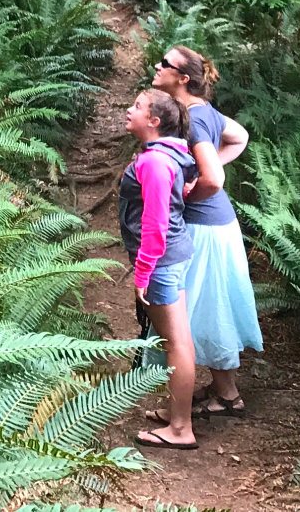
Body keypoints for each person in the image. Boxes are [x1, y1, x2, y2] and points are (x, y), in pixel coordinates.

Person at [152, 44, 262, 416]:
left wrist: (190, 189)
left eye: (164, 64)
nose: (156, 66)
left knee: (199, 312)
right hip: (219, 226)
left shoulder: (194, 119)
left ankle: (211, 400)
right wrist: (205, 169)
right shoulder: (202, 112)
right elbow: (240, 136)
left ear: (182, 79)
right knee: (213, 307)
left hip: (204, 227)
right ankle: (225, 392)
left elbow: (214, 179)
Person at [120, 88, 200, 449]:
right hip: (175, 256)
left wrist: (142, 271)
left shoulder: (154, 162)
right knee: (178, 340)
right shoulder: (171, 155)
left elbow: (155, 224)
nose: (129, 110)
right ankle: (177, 415)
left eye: (136, 107)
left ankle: (181, 429)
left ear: (153, 121)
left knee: (176, 343)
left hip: (162, 261)